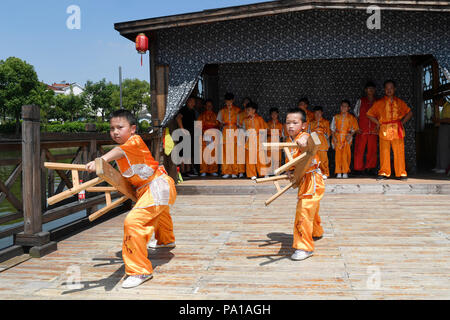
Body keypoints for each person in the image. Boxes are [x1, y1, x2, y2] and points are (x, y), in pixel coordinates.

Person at [85, 109, 176, 289]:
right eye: (112, 128)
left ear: (132, 129)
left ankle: (140, 270)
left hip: (156, 187)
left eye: (120, 127)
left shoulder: (134, 141)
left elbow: (119, 150)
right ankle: (166, 240)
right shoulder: (125, 152)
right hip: (153, 188)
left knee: (133, 222)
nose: (115, 132)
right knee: (159, 213)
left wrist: (100, 160)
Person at [285, 108, 324, 261]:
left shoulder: (305, 136)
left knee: (304, 211)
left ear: (303, 125)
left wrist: (305, 142)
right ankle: (316, 231)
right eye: (288, 123)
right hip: (304, 180)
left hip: (313, 181)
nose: (291, 126)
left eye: (295, 123)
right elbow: (293, 163)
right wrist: (290, 171)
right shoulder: (289, 141)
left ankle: (304, 247)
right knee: (310, 210)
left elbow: (311, 142)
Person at [367, 80, 413, 180]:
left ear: (394, 89)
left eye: (391, 88)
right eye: (387, 88)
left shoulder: (399, 102)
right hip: (384, 130)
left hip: (397, 130)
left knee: (399, 152)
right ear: (384, 90)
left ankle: (401, 172)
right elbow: (369, 114)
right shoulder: (379, 103)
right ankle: (384, 172)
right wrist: (378, 123)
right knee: (384, 152)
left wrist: (402, 122)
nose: (389, 90)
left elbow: (409, 113)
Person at [353, 81, 379, 176]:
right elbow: (356, 115)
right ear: (365, 90)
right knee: (359, 149)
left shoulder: (378, 102)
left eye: (372, 88)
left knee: (372, 150)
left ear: (375, 90)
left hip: (373, 129)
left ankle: (370, 168)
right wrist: (356, 127)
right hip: (362, 129)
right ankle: (358, 169)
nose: (370, 90)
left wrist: (378, 126)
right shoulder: (360, 101)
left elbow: (381, 116)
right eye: (369, 88)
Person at [331, 100, 359, 178]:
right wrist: (333, 138)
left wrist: (350, 135)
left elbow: (355, 128)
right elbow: (332, 128)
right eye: (342, 106)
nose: (343, 108)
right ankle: (338, 172)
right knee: (338, 156)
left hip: (347, 138)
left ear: (348, 108)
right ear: (340, 107)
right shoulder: (336, 117)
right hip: (337, 137)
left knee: (346, 155)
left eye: (345, 106)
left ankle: (345, 171)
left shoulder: (351, 117)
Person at [217, 92, 241, 178]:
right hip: (226, 131)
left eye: (230, 101)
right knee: (226, 152)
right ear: (225, 101)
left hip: (234, 131)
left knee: (234, 152)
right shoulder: (222, 111)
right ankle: (226, 171)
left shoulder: (238, 110)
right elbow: (219, 123)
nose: (229, 103)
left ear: (233, 100)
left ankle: (234, 171)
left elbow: (240, 123)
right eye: (227, 101)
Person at [242, 102, 269, 179]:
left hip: (258, 139)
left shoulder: (259, 119)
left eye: (249, 110)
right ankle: (252, 174)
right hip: (249, 140)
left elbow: (265, 129)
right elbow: (244, 132)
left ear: (254, 110)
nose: (247, 112)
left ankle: (263, 173)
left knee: (261, 157)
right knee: (250, 158)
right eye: (246, 110)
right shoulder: (245, 120)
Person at [176, 96, 198, 177]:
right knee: (183, 153)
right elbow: (178, 118)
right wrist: (182, 130)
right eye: (192, 102)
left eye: (194, 102)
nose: (193, 104)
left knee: (189, 152)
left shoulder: (192, 111)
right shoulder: (183, 109)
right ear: (188, 102)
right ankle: (183, 171)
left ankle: (188, 170)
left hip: (191, 134)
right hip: (184, 134)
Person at [197, 99, 220, 176]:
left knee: (213, 153)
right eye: (207, 105)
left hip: (214, 136)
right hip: (205, 135)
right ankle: (203, 170)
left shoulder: (216, 115)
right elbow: (198, 126)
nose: (209, 107)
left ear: (212, 106)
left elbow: (219, 125)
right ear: (205, 106)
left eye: (210, 105)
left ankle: (213, 170)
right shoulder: (201, 115)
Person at [308, 106, 331, 178]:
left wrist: (321, 132)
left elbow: (328, 134)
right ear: (313, 114)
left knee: (323, 159)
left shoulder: (326, 122)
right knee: (314, 159)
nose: (317, 115)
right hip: (314, 143)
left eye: (319, 113)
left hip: (323, 143)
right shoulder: (311, 123)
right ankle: (316, 173)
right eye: (316, 113)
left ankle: (325, 173)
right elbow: (308, 133)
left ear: (322, 113)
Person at [432, 96, 450, 175]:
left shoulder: (448, 106)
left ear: (441, 100)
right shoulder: (443, 107)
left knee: (444, 148)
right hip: (442, 126)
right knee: (440, 147)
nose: (437, 104)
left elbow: (449, 119)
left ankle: (444, 167)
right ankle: (439, 166)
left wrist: (439, 120)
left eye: (437, 102)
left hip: (447, 127)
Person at [267, 107, 285, 174]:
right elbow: (265, 133)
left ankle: (277, 172)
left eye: (275, 114)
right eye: (272, 114)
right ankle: (268, 172)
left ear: (277, 114)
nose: (274, 115)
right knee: (269, 156)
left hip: (277, 141)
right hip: (269, 140)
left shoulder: (280, 125)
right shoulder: (268, 123)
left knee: (277, 157)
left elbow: (282, 135)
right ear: (270, 115)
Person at [237, 97, 252, 178]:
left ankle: (250, 172)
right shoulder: (240, 114)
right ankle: (241, 171)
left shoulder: (253, 115)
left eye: (247, 102)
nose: (246, 104)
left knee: (250, 154)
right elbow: (238, 125)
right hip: (241, 133)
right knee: (241, 153)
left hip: (250, 135)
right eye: (245, 103)